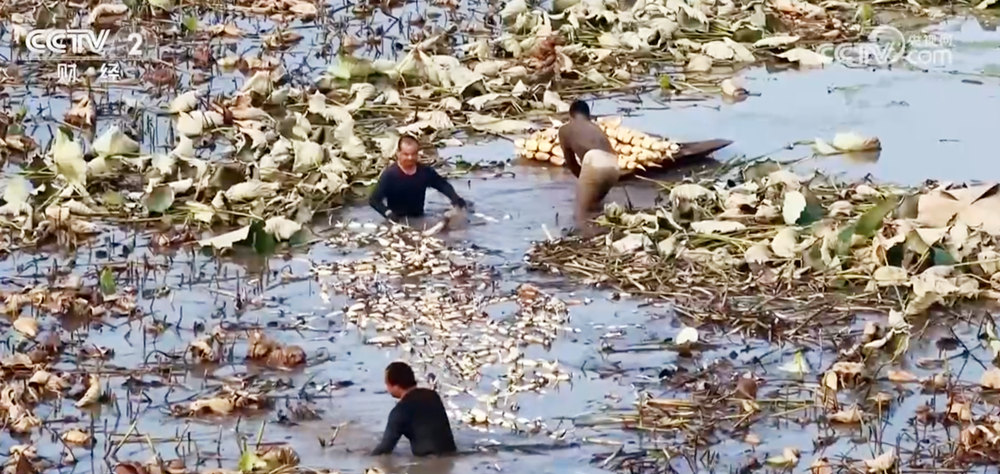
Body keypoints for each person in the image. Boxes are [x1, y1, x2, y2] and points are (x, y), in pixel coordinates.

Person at [369, 135, 468, 221]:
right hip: (397, 219)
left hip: (419, 217)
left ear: (417, 153)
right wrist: (387, 213)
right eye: (406, 154)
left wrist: (455, 198)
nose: (410, 158)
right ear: (398, 153)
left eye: (413, 154)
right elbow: (374, 200)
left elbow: (442, 185)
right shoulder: (390, 175)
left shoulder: (425, 172)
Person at [558, 100, 620, 234]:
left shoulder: (565, 129)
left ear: (571, 115)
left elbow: (571, 163)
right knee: (595, 206)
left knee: (581, 213)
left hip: (595, 161)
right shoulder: (595, 128)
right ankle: (605, 233)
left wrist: (583, 180)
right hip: (614, 165)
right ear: (588, 116)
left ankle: (588, 239)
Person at [371, 361, 457, 457]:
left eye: (387, 384)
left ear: (395, 386)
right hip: (451, 455)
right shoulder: (432, 396)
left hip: (426, 461)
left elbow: (385, 449)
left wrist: (363, 457)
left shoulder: (399, 411)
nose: (387, 388)